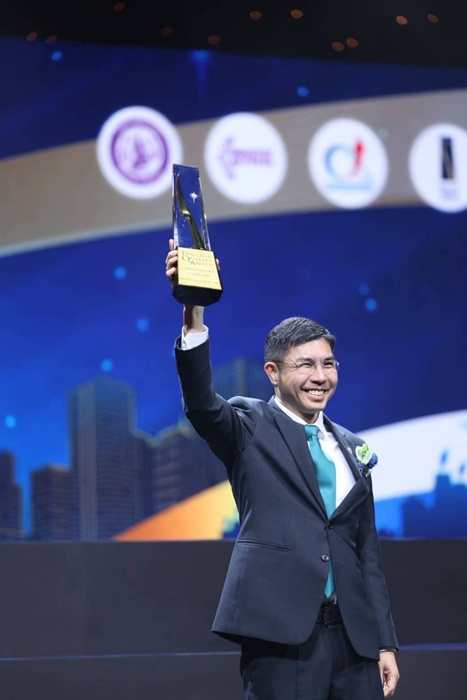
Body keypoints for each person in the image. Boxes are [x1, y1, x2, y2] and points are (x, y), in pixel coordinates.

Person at [166, 239, 400, 700]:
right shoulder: (249, 425)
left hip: (355, 641)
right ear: (272, 372)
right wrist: (194, 311)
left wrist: (385, 641)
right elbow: (200, 404)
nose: (320, 376)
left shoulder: (353, 447)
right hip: (283, 637)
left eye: (328, 364)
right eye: (306, 364)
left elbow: (366, 552)